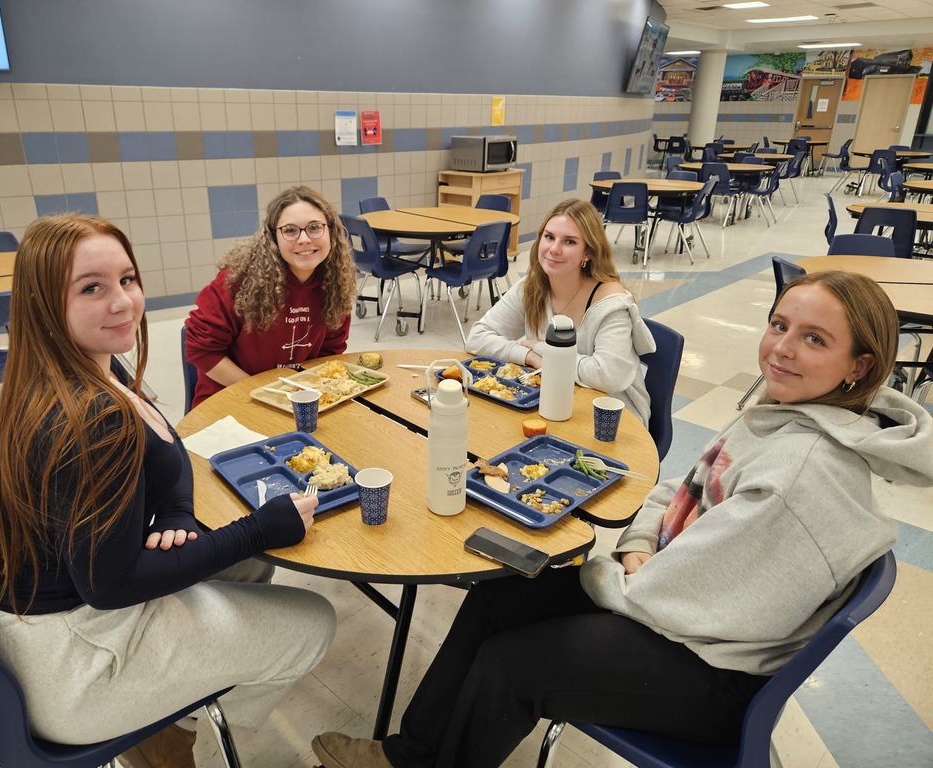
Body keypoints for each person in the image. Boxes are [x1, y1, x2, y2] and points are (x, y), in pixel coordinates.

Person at [311, 270, 933, 768]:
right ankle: (410, 754)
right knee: (495, 601)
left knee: (515, 665)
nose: (782, 349)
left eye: (815, 339)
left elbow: (685, 598)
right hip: (679, 600)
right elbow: (682, 485)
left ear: (860, 365)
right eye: (779, 325)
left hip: (711, 666)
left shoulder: (802, 469)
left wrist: (611, 574)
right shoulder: (782, 406)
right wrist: (638, 545)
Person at [0, 214, 336, 768]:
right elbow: (109, 586)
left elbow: (167, 451)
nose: (123, 303)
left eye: (127, 280)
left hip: (51, 620)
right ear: (45, 304)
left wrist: (176, 513)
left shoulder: (80, 369)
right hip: (75, 665)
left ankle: (176, 708)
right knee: (314, 622)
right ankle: (165, 736)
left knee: (250, 569)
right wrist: (259, 528)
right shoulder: (90, 419)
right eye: (92, 288)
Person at [465, 198, 655, 425]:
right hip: (548, 401)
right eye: (549, 237)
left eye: (569, 242)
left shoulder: (612, 303)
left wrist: (540, 349)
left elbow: (607, 376)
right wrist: (530, 357)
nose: (554, 249)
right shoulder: (531, 288)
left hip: (610, 419)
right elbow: (477, 337)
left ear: (588, 252)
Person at [185, 185, 358, 408]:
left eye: (315, 227)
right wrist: (264, 395)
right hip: (232, 399)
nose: (304, 239)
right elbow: (200, 350)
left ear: (331, 232)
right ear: (273, 237)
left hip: (295, 401)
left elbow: (329, 352)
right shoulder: (237, 282)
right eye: (290, 230)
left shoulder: (335, 283)